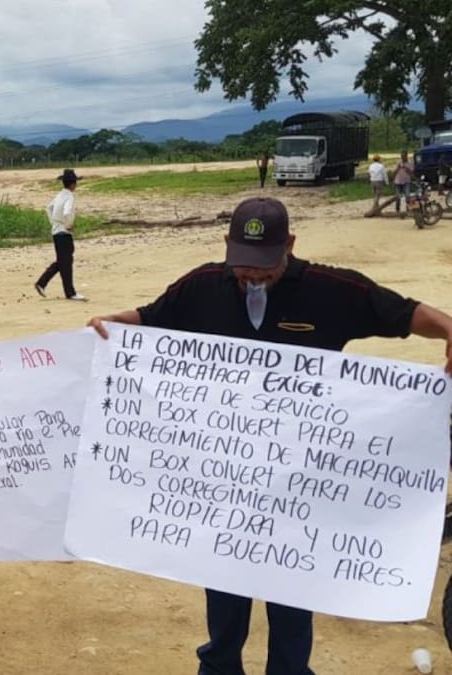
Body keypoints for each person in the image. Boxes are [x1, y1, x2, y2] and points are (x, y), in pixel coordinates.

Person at [85, 196, 452, 675]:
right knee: (223, 587)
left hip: (299, 485)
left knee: (291, 595)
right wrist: (114, 325)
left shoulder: (331, 290)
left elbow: (404, 314)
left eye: (264, 265)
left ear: (290, 245)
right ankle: (219, 666)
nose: (253, 275)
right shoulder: (201, 287)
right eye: (243, 264)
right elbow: (152, 318)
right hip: (224, 478)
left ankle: (290, 670)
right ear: (226, 245)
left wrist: (449, 329)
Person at [34, 169, 87, 301]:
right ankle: (69, 292)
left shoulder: (59, 195)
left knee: (63, 261)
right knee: (66, 262)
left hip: (56, 231)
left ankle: (42, 283)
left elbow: (49, 208)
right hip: (64, 232)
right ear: (73, 184)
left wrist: (54, 222)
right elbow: (67, 212)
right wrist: (68, 225)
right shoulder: (69, 197)